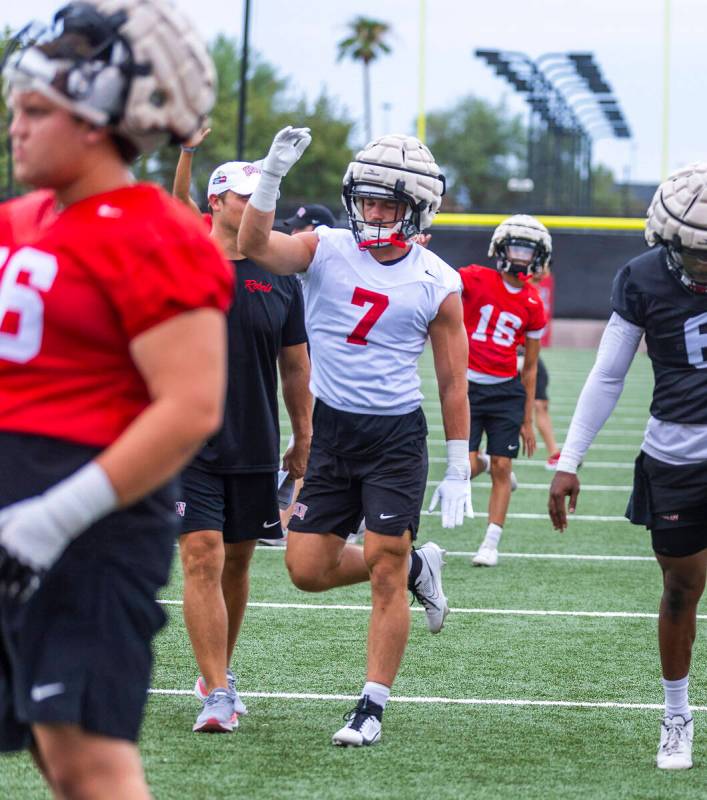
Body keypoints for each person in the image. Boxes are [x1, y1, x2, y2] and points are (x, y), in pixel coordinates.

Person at [0, 2, 231, 797]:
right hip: (12, 502)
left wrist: (46, 523)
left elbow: (192, 407)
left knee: (87, 760)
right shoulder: (21, 220)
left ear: (98, 121)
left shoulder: (154, 233)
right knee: (46, 746)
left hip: (85, 521)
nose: (15, 128)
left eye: (35, 111)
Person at [238, 127, 473, 747]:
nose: (373, 213)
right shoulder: (326, 248)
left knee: (384, 566)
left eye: (388, 204)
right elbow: (255, 244)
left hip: (396, 437)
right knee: (305, 568)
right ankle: (419, 565)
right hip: (336, 433)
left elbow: (453, 382)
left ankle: (370, 705)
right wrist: (270, 177)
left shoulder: (437, 280)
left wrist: (455, 465)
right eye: (367, 200)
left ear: (417, 209)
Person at [549, 164, 707, 771]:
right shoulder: (643, 279)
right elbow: (609, 373)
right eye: (694, 255)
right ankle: (676, 715)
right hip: (677, 457)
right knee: (681, 587)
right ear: (667, 242)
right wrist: (571, 459)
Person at [172, 134, 312, 732]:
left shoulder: (280, 276)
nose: (258, 206)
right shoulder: (183, 262)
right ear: (217, 201)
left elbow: (296, 365)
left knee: (236, 562)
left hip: (254, 439)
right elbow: (174, 204)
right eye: (246, 196)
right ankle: (219, 693)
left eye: (264, 197)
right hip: (188, 441)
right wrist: (185, 152)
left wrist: (304, 437)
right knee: (201, 556)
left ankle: (217, 672)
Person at [460, 215, 549, 567]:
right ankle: (481, 459)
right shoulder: (475, 278)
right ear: (500, 248)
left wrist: (527, 420)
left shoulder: (533, 303)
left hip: (506, 392)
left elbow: (529, 368)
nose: (521, 257)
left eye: (528, 251)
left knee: (502, 464)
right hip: (467, 387)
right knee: (465, 466)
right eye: (516, 248)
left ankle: (490, 542)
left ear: (538, 257)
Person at [527, 265, 561, 469]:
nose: (544, 270)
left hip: (531, 355)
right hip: (513, 355)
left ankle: (554, 453)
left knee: (541, 404)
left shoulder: (539, 292)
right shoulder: (522, 288)